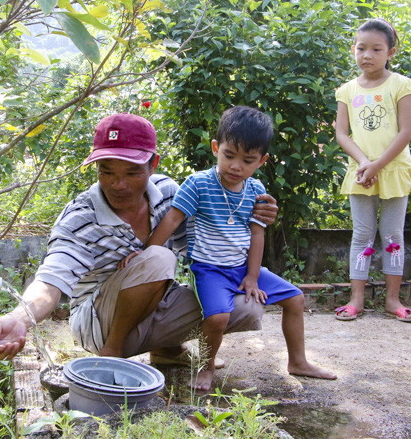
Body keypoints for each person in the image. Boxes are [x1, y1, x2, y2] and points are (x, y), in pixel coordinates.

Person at [0, 112, 279, 364]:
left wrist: (253, 214)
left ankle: (165, 348)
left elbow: (211, 234)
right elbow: (50, 281)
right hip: (99, 322)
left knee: (245, 307)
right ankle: (111, 354)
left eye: (132, 172)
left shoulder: (169, 194)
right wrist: (20, 316)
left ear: (153, 165)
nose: (119, 184)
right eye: (106, 171)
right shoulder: (80, 218)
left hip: (155, 307)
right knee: (158, 257)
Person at [120, 106, 337, 391]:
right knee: (218, 317)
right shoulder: (198, 184)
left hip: (241, 268)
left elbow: (256, 235)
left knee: (295, 299)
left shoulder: (256, 190)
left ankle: (298, 361)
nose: (236, 166)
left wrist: (252, 277)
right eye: (229, 155)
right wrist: (147, 254)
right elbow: (172, 220)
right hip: (208, 269)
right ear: (215, 148)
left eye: (247, 160)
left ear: (262, 160)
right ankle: (206, 367)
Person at [334, 19, 411, 322]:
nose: (367, 55)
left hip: (394, 169)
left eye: (376, 49)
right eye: (361, 48)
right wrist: (364, 163)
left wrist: (378, 164)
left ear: (390, 52)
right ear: (353, 49)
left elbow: (406, 132)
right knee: (362, 235)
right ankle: (355, 299)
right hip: (361, 172)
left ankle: (392, 299)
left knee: (393, 235)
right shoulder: (346, 90)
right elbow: (342, 134)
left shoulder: (401, 85)